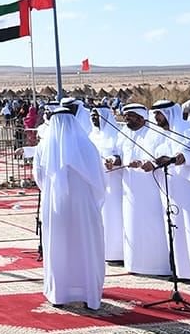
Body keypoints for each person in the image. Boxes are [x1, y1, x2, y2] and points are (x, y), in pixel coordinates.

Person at [33, 105, 107, 308]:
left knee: (59, 245)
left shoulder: (45, 145)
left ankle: (59, 294)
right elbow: (100, 179)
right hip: (84, 207)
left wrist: (53, 190)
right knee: (85, 244)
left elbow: (39, 177)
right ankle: (89, 295)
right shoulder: (87, 145)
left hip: (56, 205)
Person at [148, 100, 190, 284]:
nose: (156, 118)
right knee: (175, 229)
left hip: (189, 190)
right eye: (155, 114)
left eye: (159, 114)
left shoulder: (189, 131)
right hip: (170, 188)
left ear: (169, 113)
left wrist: (177, 159)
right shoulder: (160, 136)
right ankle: (181, 271)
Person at [116, 105, 171, 277]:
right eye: (125, 116)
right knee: (131, 223)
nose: (126, 119)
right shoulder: (123, 134)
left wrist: (146, 163)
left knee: (152, 225)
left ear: (141, 118)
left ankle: (156, 266)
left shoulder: (156, 134)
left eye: (130, 116)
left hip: (151, 188)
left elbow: (164, 156)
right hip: (129, 187)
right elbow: (118, 155)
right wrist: (112, 160)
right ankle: (134, 263)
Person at [88, 106, 125, 265]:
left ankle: (116, 253)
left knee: (114, 217)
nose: (94, 118)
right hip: (96, 181)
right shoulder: (91, 135)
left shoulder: (115, 135)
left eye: (96, 115)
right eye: (92, 115)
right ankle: (102, 251)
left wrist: (112, 160)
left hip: (113, 183)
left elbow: (121, 156)